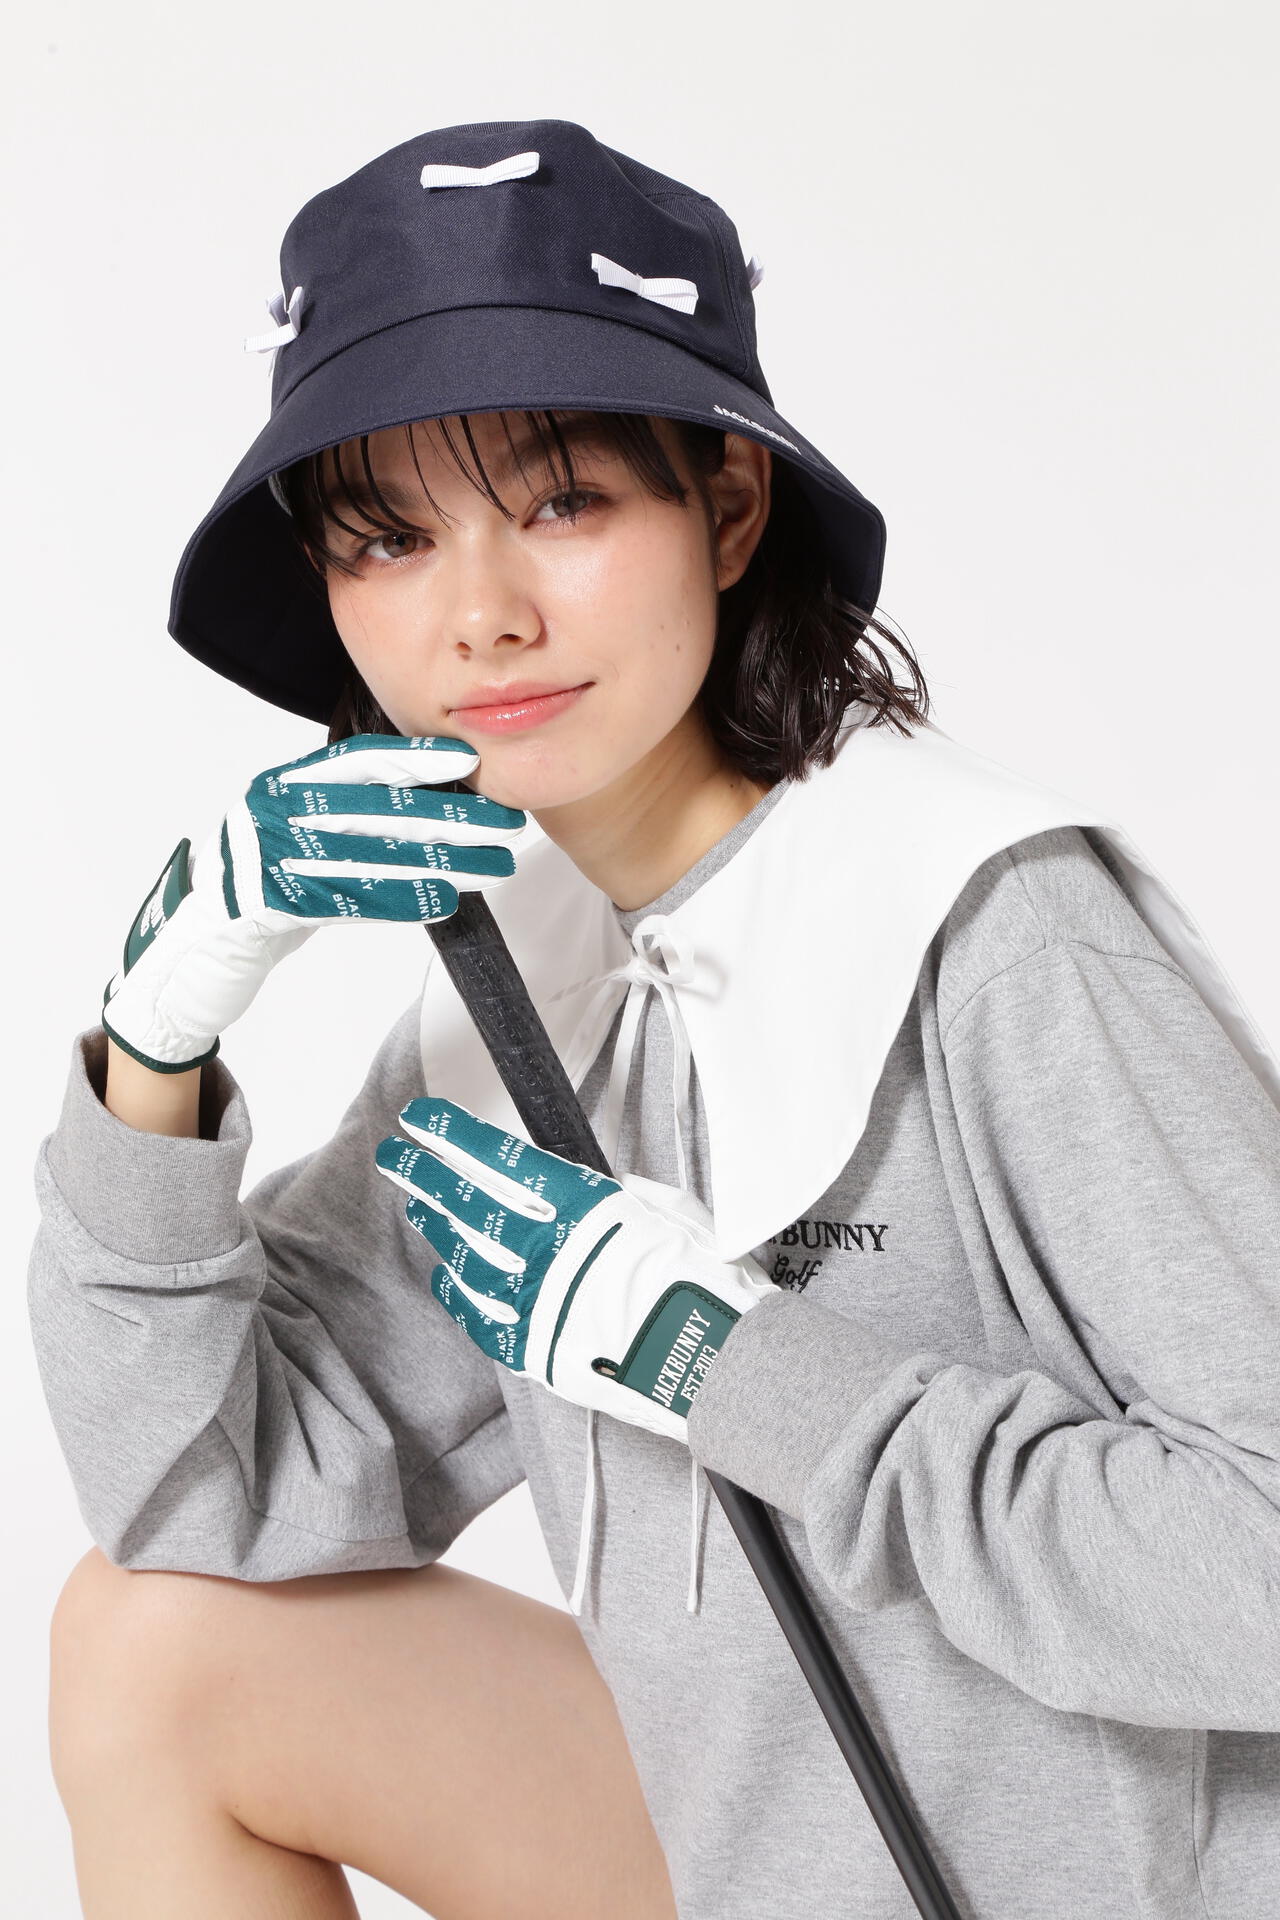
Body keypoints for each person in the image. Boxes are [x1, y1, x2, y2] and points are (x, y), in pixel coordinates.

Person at [29, 118, 1280, 1920]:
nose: (481, 617)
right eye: (388, 537)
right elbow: (204, 1501)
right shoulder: (530, 995)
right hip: (766, 1868)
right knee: (152, 1648)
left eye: (565, 504)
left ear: (730, 505)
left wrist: (733, 1367)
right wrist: (155, 1036)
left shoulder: (1000, 938)